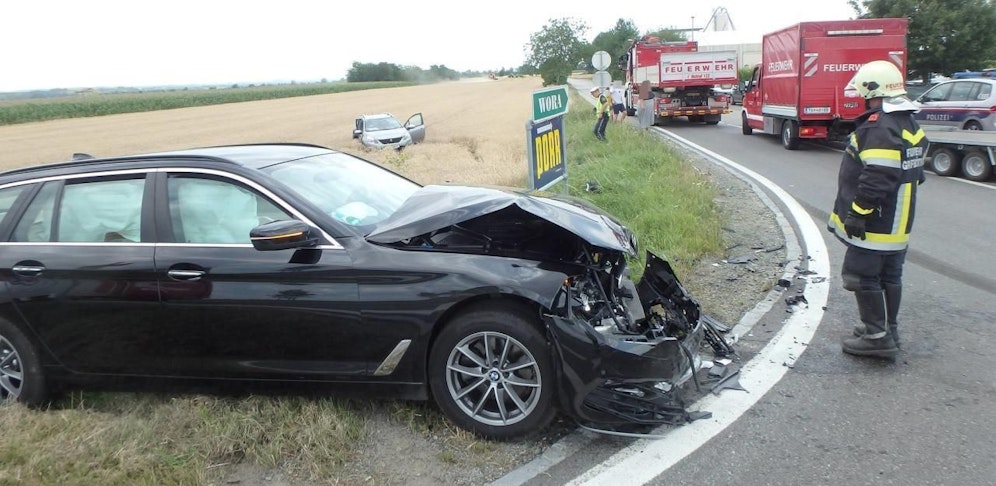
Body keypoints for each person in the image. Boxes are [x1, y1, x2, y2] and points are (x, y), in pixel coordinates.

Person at [828, 60, 927, 360]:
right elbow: (915, 171)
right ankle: (887, 329)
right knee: (889, 277)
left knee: (861, 276)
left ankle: (877, 337)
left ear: (871, 90)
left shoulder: (879, 126)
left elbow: (878, 175)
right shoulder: (908, 122)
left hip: (877, 223)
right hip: (898, 222)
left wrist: (858, 212)